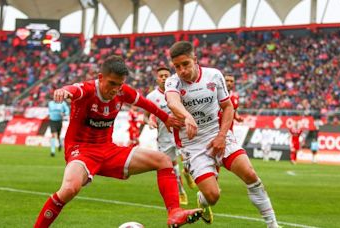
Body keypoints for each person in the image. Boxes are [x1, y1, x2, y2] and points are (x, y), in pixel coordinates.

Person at [34, 55, 202, 228]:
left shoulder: (123, 91)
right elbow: (75, 89)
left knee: (163, 160)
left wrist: (166, 118)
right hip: (81, 151)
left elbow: (145, 103)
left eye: (119, 84)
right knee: (69, 189)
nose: (115, 89)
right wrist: (64, 90)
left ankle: (174, 213)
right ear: (100, 78)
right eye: (112, 83)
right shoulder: (88, 89)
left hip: (108, 150)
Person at [165, 41, 279, 228]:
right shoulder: (173, 81)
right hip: (193, 144)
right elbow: (172, 102)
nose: (182, 70)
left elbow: (228, 107)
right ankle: (202, 199)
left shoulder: (214, 75)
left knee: (250, 174)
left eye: (185, 64)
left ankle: (273, 225)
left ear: (195, 59)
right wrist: (187, 116)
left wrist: (221, 136)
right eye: (177, 66)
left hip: (218, 134)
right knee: (213, 195)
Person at [145, 66, 189, 205]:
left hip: (182, 133)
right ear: (157, 79)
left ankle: (188, 172)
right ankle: (181, 192)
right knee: (172, 168)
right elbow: (145, 116)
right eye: (161, 76)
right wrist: (150, 122)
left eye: (166, 75)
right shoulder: (151, 97)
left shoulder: (179, 92)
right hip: (164, 138)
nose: (164, 78)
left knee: (190, 160)